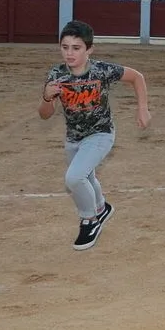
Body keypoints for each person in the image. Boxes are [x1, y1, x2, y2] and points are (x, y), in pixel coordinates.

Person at [38, 21, 151, 250]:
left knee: (74, 178)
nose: (69, 53)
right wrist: (47, 97)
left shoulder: (101, 70)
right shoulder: (57, 74)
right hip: (74, 137)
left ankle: (90, 219)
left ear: (89, 49)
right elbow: (44, 115)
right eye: (65, 47)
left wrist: (142, 107)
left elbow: (136, 77)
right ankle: (102, 208)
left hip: (101, 134)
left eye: (76, 48)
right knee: (86, 177)